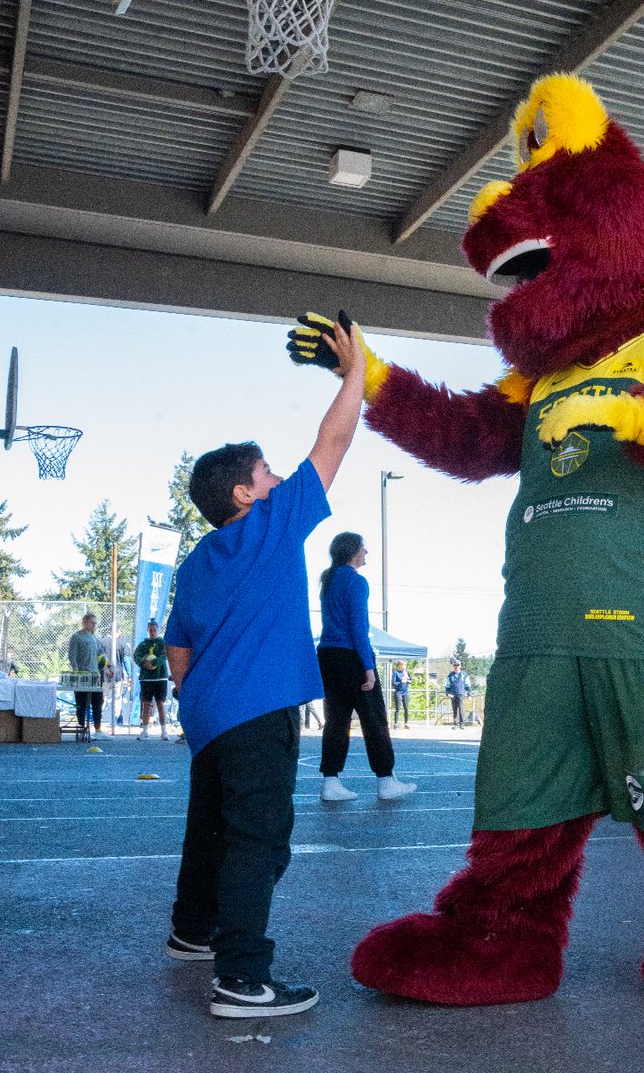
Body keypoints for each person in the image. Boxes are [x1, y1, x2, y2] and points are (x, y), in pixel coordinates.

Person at [163, 316, 364, 1020]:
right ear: (247, 495)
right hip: (257, 712)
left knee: (209, 827)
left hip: (212, 718)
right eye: (268, 474)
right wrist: (356, 375)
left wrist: (197, 698)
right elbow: (333, 443)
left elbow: (176, 644)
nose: (280, 479)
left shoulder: (197, 562)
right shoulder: (271, 526)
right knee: (257, 839)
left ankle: (193, 931)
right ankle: (242, 979)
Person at [317, 533, 416, 803]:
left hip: (327, 655)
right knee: (374, 720)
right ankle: (385, 780)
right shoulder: (357, 582)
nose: (366, 554)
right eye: (364, 549)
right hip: (351, 656)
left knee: (336, 720)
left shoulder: (328, 580)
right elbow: (358, 627)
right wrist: (368, 666)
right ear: (353, 552)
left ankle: (331, 781)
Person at [68, 613, 106, 740]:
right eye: (92, 623)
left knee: (97, 701)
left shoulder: (94, 637)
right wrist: (76, 671)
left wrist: (109, 666)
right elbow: (72, 656)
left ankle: (98, 730)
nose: (94, 625)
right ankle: (81, 727)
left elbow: (100, 652)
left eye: (95, 623)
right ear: (84, 622)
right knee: (82, 703)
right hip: (82, 674)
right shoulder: (76, 637)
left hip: (95, 675)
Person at [134, 620, 170, 741]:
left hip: (160, 677)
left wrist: (154, 662)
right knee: (146, 704)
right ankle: (144, 731)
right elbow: (136, 655)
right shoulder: (143, 644)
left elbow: (164, 655)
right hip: (147, 679)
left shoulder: (162, 642)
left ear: (157, 630)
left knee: (160, 703)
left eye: (154, 630)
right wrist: (143, 663)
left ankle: (164, 731)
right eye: (150, 630)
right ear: (147, 630)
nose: (152, 632)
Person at [445, 659, 470, 728]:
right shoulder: (450, 675)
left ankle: (462, 724)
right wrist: (447, 693)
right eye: (455, 665)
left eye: (458, 665)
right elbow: (447, 686)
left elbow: (467, 685)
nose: (456, 666)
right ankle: (456, 724)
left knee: (461, 709)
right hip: (453, 695)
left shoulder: (464, 674)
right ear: (453, 666)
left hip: (461, 693)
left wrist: (469, 693)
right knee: (454, 709)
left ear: (460, 666)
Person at [392, 660, 411, 728]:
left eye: (405, 665)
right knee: (398, 708)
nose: (404, 666)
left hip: (405, 692)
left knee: (406, 708)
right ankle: (396, 724)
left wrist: (407, 680)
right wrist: (401, 681)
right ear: (399, 665)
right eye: (403, 665)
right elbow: (393, 683)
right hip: (398, 692)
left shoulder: (406, 672)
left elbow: (410, 680)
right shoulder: (396, 673)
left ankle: (406, 724)